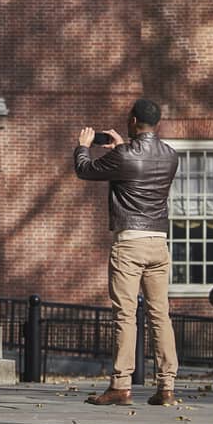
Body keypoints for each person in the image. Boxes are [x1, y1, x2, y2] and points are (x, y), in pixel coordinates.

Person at [72, 98, 180, 407]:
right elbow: (140, 165)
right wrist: (123, 147)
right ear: (156, 123)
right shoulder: (171, 156)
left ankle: (121, 385)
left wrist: (84, 146)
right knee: (161, 314)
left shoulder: (123, 156)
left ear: (132, 121)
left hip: (130, 241)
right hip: (159, 242)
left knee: (126, 314)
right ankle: (167, 386)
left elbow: (84, 170)